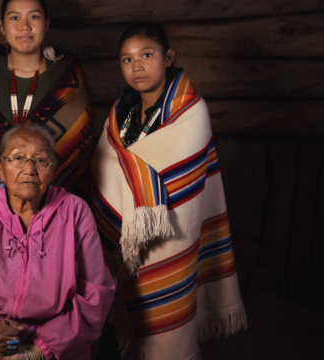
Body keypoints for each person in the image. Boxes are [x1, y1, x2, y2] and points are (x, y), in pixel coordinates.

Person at [90, 22, 247, 359]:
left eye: (146, 55)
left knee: (166, 310)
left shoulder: (192, 111)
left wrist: (131, 177)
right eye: (127, 60)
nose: (137, 67)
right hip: (127, 232)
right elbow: (104, 161)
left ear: (169, 57)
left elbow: (178, 176)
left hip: (171, 231)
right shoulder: (121, 112)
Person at [0, 124, 115, 360]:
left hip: (59, 344)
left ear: (52, 169)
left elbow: (95, 296)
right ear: (0, 167)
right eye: (18, 158)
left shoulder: (75, 212)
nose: (30, 169)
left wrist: (40, 350)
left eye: (41, 160)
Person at [0, 0, 94, 198]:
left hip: (55, 201)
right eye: (14, 17)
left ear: (46, 23)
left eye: (34, 17)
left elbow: (78, 147)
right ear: (2, 26)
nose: (25, 26)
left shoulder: (67, 74)